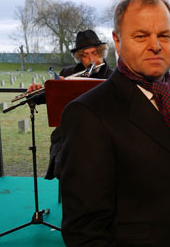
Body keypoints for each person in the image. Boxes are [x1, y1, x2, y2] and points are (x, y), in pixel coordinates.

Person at [58, 0, 170, 247]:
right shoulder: (88, 114)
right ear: (118, 41)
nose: (156, 45)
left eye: (164, 35)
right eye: (141, 36)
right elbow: (86, 231)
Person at [25, 29, 114, 180]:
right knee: (71, 155)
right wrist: (34, 93)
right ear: (79, 57)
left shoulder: (111, 77)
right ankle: (73, 194)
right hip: (69, 134)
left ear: (101, 53)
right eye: (85, 55)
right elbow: (47, 98)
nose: (91, 59)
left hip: (101, 134)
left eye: (94, 53)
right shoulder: (68, 73)